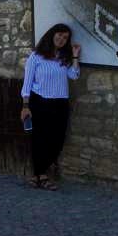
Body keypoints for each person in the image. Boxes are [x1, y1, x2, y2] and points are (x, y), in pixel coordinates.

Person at [20, 23, 81, 190]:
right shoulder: (36, 57)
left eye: (65, 37)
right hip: (39, 102)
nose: (61, 39)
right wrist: (25, 106)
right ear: (52, 35)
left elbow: (74, 76)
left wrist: (75, 56)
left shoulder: (63, 57)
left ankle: (38, 174)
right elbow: (27, 83)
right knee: (40, 139)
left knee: (57, 141)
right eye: (59, 35)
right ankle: (41, 176)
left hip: (60, 103)